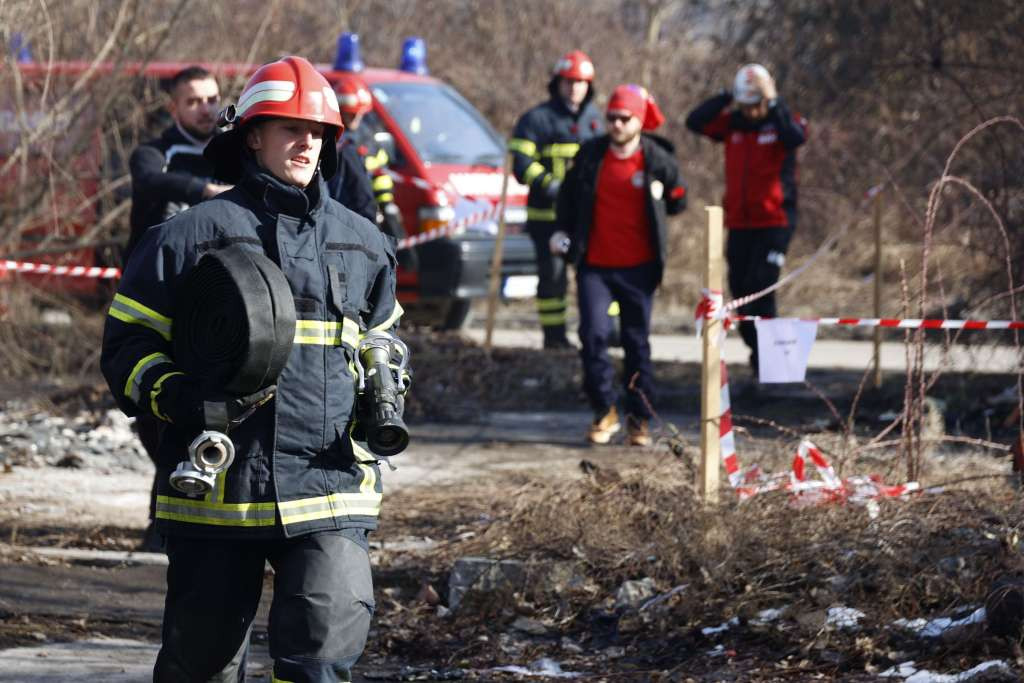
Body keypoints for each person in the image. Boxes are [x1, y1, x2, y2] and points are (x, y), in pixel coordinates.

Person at [101, 56, 403, 682]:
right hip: (218, 493)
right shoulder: (187, 237)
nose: (305, 142)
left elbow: (385, 340)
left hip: (329, 485)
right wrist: (176, 395)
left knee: (321, 655)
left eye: (317, 131)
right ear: (252, 136)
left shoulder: (363, 243)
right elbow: (126, 344)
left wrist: (384, 389)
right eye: (289, 127)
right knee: (201, 668)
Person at [125, 65, 231, 552]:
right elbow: (148, 178)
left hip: (212, 305)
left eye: (212, 99)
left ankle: (172, 518)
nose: (206, 108)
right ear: (175, 108)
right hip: (152, 298)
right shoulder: (157, 151)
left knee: (200, 406)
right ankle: (165, 509)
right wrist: (205, 193)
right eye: (194, 102)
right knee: (148, 407)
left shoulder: (231, 150)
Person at [556, 84, 687, 446]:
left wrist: (664, 194)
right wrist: (559, 233)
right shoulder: (590, 156)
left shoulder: (656, 158)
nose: (615, 124)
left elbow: (680, 199)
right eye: (610, 117)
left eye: (623, 118)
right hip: (594, 264)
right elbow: (566, 200)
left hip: (639, 266)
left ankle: (639, 417)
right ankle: (604, 411)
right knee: (593, 336)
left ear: (639, 121)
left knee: (636, 342)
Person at [685, 63, 808, 373]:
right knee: (739, 293)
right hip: (740, 223)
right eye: (746, 105)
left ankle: (777, 366)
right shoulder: (733, 124)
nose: (751, 112)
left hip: (775, 221)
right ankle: (759, 357)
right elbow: (695, 121)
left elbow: (796, 137)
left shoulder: (781, 123)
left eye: (757, 104)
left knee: (762, 289)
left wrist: (775, 100)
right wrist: (728, 95)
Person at [509, 50, 603, 349]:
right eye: (569, 81)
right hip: (546, 218)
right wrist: (552, 186)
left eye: (581, 82)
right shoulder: (537, 119)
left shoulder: (597, 121)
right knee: (553, 278)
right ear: (558, 83)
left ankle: (603, 333)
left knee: (597, 276)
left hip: (587, 219)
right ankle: (555, 337)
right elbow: (522, 164)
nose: (575, 87)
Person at [329, 72, 417, 271]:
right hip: (349, 220)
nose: (355, 119)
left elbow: (379, 173)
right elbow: (360, 194)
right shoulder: (343, 146)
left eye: (358, 114)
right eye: (350, 114)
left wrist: (387, 205)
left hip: (357, 217)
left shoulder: (365, 138)